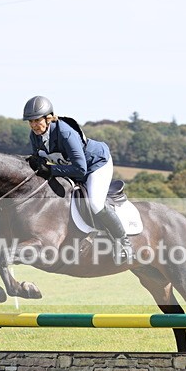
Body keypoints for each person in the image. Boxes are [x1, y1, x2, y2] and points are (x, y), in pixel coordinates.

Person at [23, 95, 132, 262]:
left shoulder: (65, 133)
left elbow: (80, 170)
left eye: (37, 121)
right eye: (31, 122)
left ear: (49, 118)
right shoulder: (35, 136)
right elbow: (39, 160)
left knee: (95, 203)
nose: (34, 125)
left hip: (95, 164)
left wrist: (51, 170)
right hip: (71, 167)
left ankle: (124, 242)